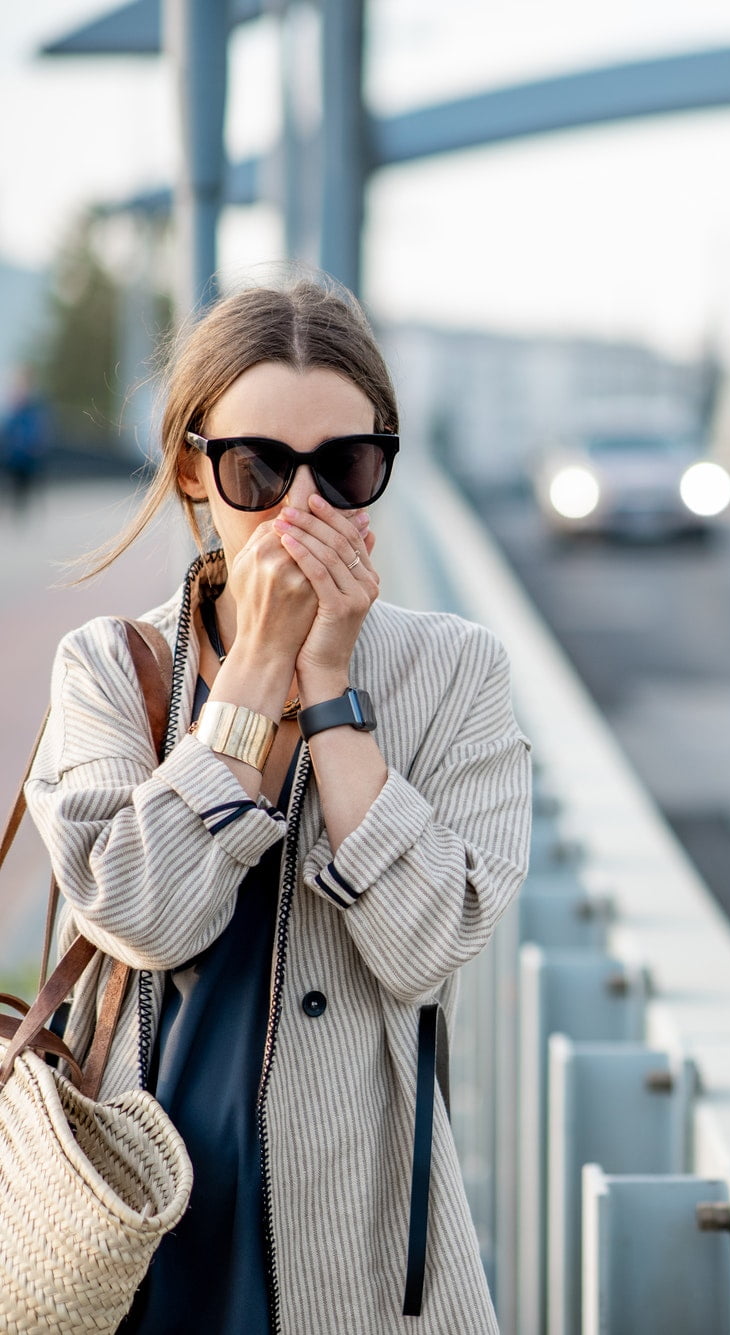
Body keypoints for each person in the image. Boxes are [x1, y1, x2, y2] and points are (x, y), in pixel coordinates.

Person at [24, 276, 532, 1333]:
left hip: (361, 1239)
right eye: (258, 470)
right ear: (192, 471)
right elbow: (141, 917)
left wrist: (334, 694)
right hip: (129, 1210)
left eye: (344, 469)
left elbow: (429, 944)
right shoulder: (109, 672)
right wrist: (253, 675)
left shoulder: (457, 673)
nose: (303, 511)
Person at [2, 370, 50, 517]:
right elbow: (6, 430)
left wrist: (37, 445)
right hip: (14, 456)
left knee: (26, 485)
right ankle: (16, 509)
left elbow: (39, 430)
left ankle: (23, 510)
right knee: (14, 484)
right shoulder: (13, 409)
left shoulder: (34, 408)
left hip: (28, 457)